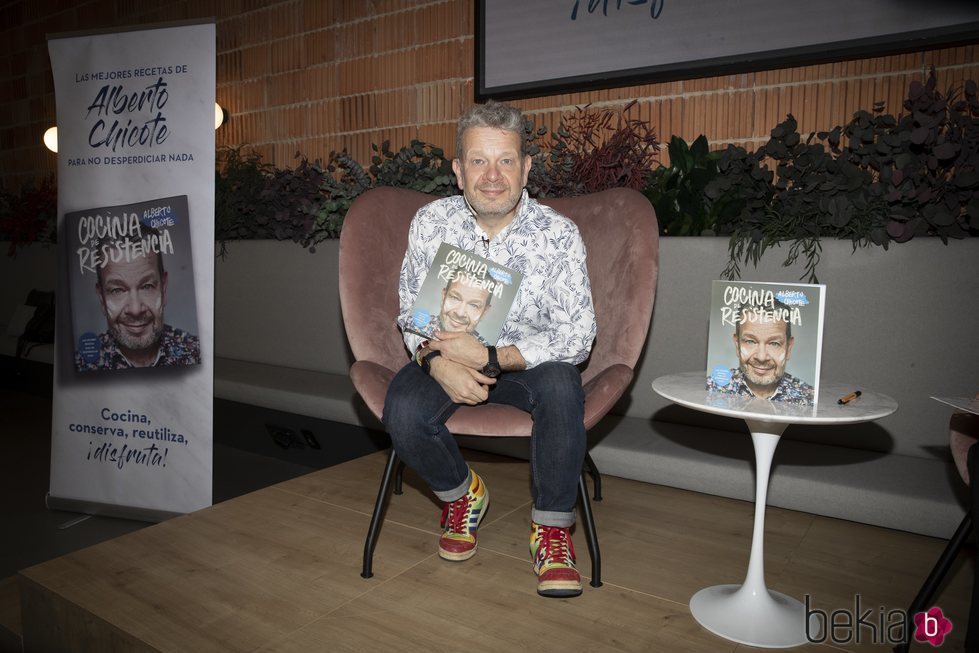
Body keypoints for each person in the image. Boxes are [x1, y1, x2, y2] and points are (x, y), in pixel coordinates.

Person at [385, 101, 597, 598]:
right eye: (478, 161)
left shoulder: (558, 236)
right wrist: (436, 363)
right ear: (458, 171)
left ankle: (551, 530)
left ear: (526, 168)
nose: (493, 175)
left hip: (525, 368)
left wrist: (494, 359)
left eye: (506, 161)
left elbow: (579, 333)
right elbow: (411, 315)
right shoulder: (430, 223)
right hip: (446, 356)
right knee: (401, 408)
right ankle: (462, 494)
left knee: (564, 384)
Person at [75, 229, 200, 372]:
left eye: (147, 286)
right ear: (102, 298)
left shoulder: (195, 354)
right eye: (117, 290)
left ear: (163, 288)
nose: (135, 310)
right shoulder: (80, 365)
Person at [706, 299, 813, 405]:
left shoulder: (808, 397)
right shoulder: (711, 388)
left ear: (788, 348)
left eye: (774, 343)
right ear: (737, 345)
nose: (761, 357)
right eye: (750, 341)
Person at [415, 269, 494, 346]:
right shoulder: (415, 325)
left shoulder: (485, 353)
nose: (460, 313)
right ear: (444, 296)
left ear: (484, 312)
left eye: (473, 305)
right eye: (455, 298)